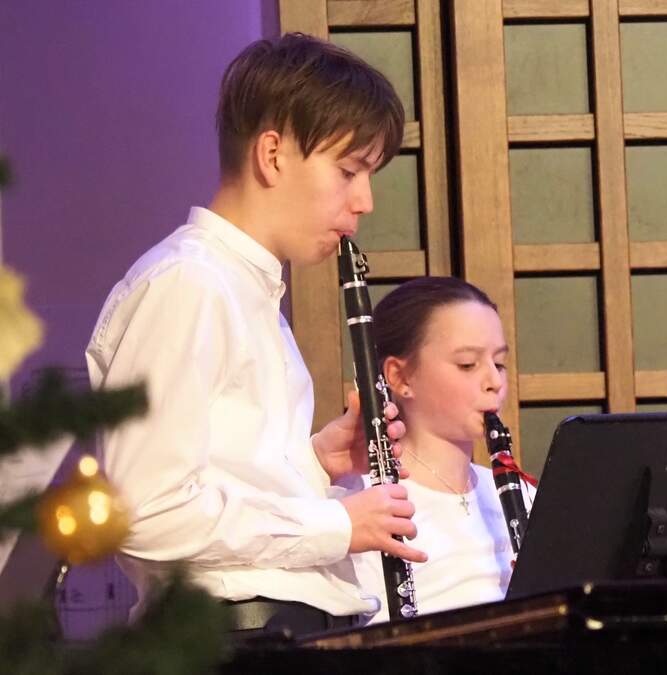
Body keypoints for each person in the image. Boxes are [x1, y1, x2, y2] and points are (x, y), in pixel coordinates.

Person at [85, 33, 426, 635]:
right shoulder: (190, 283)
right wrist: (337, 525)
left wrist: (314, 463)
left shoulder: (246, 291)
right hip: (236, 638)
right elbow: (141, 510)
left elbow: (224, 474)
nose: (365, 201)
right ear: (272, 155)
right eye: (349, 171)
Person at [351, 276, 535, 619]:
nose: (494, 381)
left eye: (498, 363)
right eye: (467, 364)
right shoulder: (363, 506)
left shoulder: (526, 498)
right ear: (400, 377)